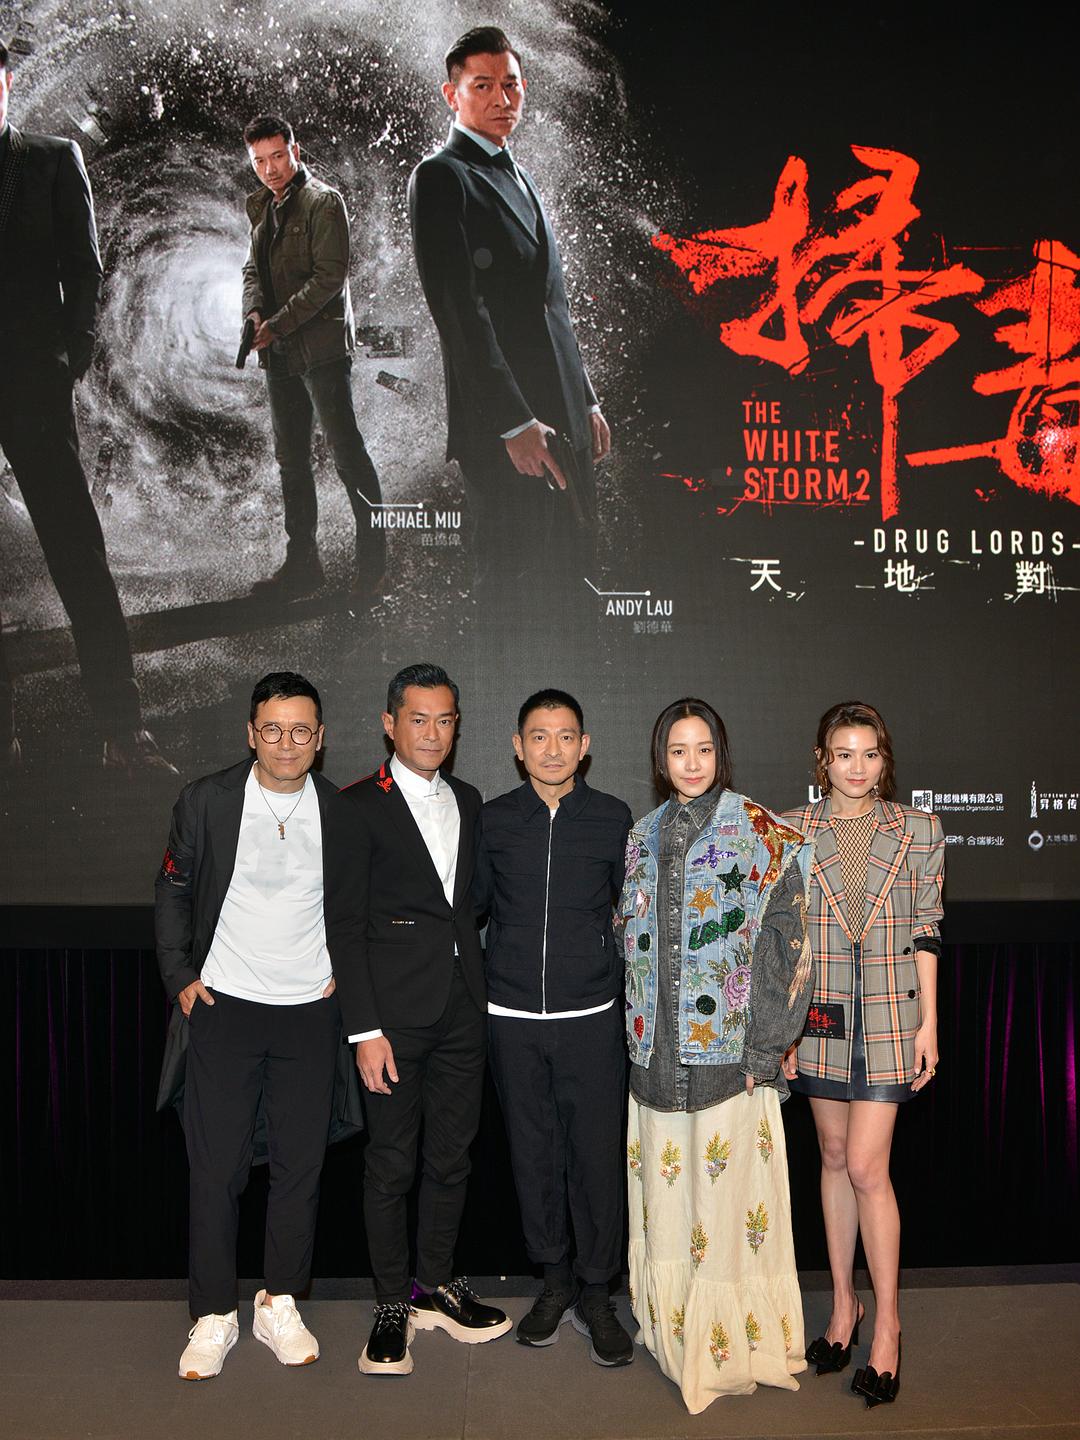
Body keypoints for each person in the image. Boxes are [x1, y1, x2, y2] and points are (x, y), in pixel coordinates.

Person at [617, 699, 814, 1414]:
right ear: (660, 759)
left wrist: (767, 1044)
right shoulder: (640, 836)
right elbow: (628, 935)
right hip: (654, 1057)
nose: (691, 763)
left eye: (703, 749)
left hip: (731, 1060)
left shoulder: (762, 832)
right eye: (678, 751)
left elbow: (790, 944)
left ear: (720, 753)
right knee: (670, 1205)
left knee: (726, 1212)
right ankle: (673, 1337)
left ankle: (730, 1348)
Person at [155, 671, 351, 1380]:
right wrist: (181, 976)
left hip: (309, 1014)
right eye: (272, 729)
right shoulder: (205, 800)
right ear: (250, 734)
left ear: (319, 738)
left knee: (300, 1168)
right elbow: (173, 889)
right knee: (216, 1169)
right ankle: (214, 1314)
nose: (286, 743)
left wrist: (348, 973)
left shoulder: (341, 810)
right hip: (223, 1009)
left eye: (300, 730)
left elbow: (359, 904)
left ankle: (279, 1302)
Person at [324, 663, 511, 1375]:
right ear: (389, 723)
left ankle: (434, 1284)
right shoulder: (354, 805)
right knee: (390, 1165)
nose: (433, 733)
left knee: (452, 1157)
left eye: (445, 720)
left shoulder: (469, 798)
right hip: (391, 1022)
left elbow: (470, 904)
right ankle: (390, 1303)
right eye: (419, 719)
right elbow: (344, 926)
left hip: (464, 1007)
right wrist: (364, 1030)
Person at [0, 40, 172, 771]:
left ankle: (122, 728)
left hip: (33, 386)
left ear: (7, 81)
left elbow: (85, 269)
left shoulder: (51, 159)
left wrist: (67, 359)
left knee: (77, 550)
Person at [408, 26, 611, 599]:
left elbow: (551, 302)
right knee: (513, 592)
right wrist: (514, 424)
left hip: (561, 414)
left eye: (512, 85)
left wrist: (585, 398)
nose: (502, 98)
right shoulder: (440, 176)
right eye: (483, 86)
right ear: (452, 95)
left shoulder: (517, 172)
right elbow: (460, 315)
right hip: (508, 433)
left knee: (575, 581)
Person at [783, 701, 943, 1409]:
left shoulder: (919, 830)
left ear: (885, 760)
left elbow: (927, 931)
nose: (857, 767)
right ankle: (843, 1306)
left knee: (868, 1168)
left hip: (888, 1016)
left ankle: (888, 1327)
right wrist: (786, 1029)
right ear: (823, 759)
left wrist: (928, 1023)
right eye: (843, 754)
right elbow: (785, 938)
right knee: (832, 1157)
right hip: (818, 1017)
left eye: (869, 754)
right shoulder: (792, 829)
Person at [475, 689, 633, 1364]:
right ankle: (555, 1279)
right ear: (518, 747)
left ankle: (597, 1290)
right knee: (532, 1153)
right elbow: (473, 909)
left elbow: (631, 911)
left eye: (566, 736)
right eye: (538, 736)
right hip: (511, 1016)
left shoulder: (613, 818)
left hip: (591, 1016)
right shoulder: (492, 819)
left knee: (595, 1156)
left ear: (585, 745)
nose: (552, 749)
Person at [241, 114, 385, 600]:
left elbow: (329, 279)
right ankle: (303, 566)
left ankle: (375, 566)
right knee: (292, 462)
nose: (270, 169)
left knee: (347, 455)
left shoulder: (324, 202)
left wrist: (275, 325)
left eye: (277, 157)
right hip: (280, 355)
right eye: (259, 161)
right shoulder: (262, 209)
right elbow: (251, 271)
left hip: (321, 352)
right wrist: (253, 313)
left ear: (295, 152)